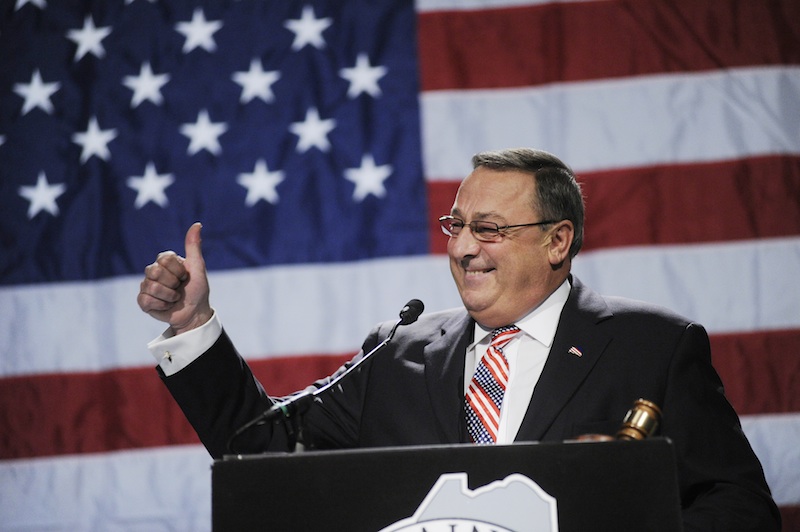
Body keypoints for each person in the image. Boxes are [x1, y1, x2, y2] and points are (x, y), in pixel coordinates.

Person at [138, 147, 780, 530]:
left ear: (558, 241)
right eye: (457, 225)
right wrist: (194, 329)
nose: (465, 248)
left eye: (491, 228)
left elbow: (742, 508)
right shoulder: (398, 353)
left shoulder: (652, 347)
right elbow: (264, 453)